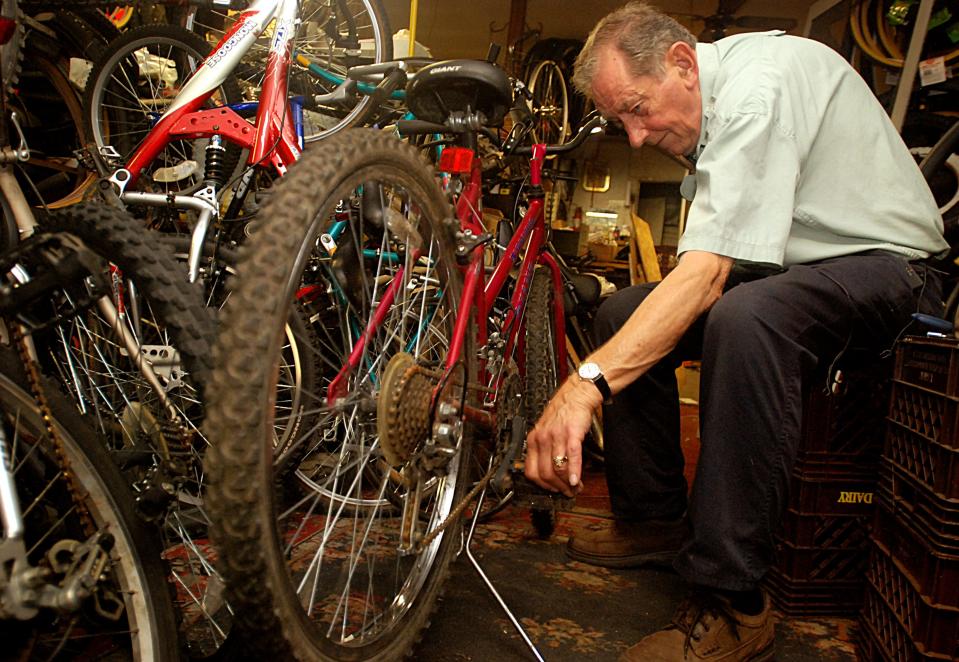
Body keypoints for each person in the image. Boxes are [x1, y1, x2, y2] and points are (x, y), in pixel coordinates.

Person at [523, 2, 947, 660]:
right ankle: (654, 521)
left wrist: (581, 389)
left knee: (744, 318)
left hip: (890, 271)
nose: (633, 138)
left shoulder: (757, 91)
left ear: (682, 64)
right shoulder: (715, 106)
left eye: (637, 109)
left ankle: (735, 601)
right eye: (620, 120)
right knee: (621, 313)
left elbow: (705, 277)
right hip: (800, 271)